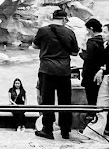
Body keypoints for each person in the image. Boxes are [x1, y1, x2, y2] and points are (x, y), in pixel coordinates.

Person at [33, 9, 79, 140]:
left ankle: (48, 129)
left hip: (46, 69)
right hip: (64, 70)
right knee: (65, 100)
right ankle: (65, 130)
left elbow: (34, 46)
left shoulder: (43, 31)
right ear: (64, 19)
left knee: (47, 100)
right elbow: (75, 52)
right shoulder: (70, 32)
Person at [79, 18, 105, 106]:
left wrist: (81, 53)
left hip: (91, 74)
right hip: (102, 72)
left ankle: (92, 117)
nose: (87, 32)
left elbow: (88, 57)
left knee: (91, 99)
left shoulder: (91, 42)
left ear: (91, 28)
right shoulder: (105, 41)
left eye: (87, 29)